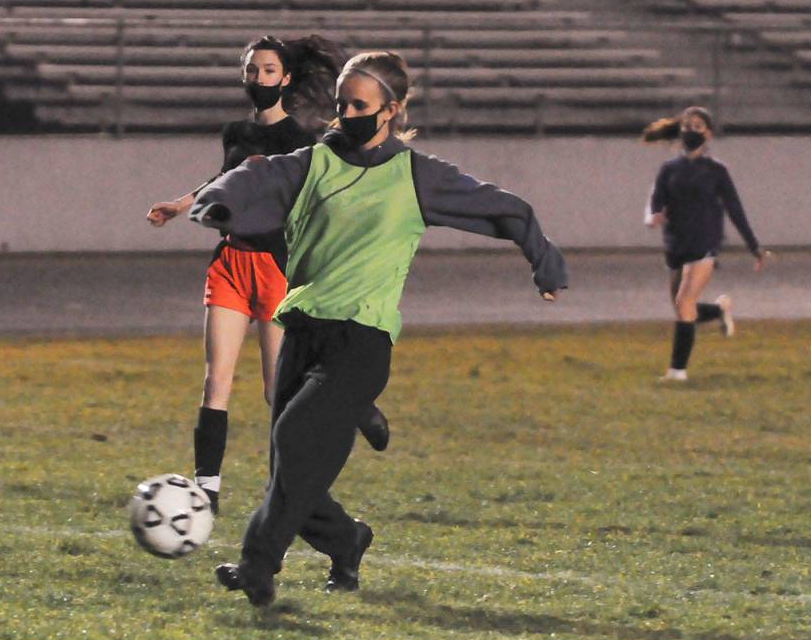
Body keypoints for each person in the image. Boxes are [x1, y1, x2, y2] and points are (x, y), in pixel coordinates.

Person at [189, 51, 568, 606]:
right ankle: (348, 540)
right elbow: (255, 175)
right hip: (303, 329)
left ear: (391, 110)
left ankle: (257, 565)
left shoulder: (416, 175)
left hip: (362, 339)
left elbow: (502, 207)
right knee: (292, 472)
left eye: (359, 105)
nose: (346, 114)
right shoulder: (314, 162)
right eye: (341, 104)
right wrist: (218, 200)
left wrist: (544, 260)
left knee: (295, 442)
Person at [146, 35, 389, 514]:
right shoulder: (235, 131)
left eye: (269, 71)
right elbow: (224, 178)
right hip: (231, 264)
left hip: (277, 270)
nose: (259, 79)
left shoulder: (299, 140)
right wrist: (179, 205)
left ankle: (346, 409)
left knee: (277, 390)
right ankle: (207, 492)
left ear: (286, 78)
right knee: (216, 381)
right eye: (252, 71)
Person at [642, 106, 767, 381]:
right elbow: (656, 201)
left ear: (708, 133)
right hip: (676, 243)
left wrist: (754, 247)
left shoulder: (717, 171)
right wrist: (654, 216)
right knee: (684, 308)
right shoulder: (669, 169)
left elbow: (735, 209)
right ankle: (720, 310)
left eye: (697, 126)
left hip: (705, 242)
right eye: (687, 125)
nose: (690, 130)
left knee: (684, 301)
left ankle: (677, 371)